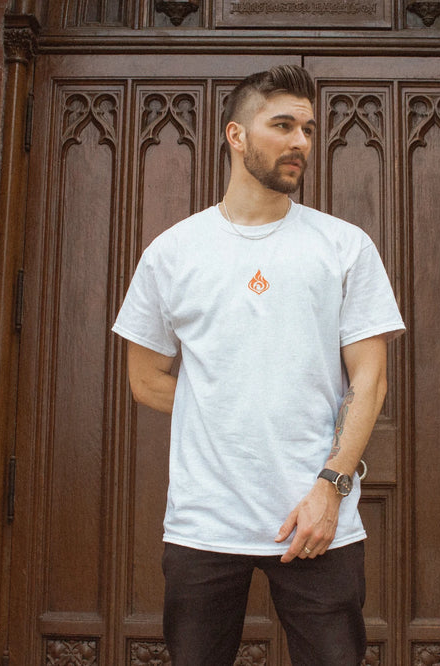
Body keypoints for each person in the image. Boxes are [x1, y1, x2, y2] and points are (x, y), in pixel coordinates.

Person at [112, 65, 405, 666]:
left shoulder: (344, 245)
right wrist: (227, 402)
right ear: (236, 135)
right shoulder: (173, 252)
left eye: (307, 129)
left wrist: (331, 487)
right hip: (203, 522)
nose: (300, 141)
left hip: (317, 517)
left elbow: (370, 380)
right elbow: (143, 380)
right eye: (283, 125)